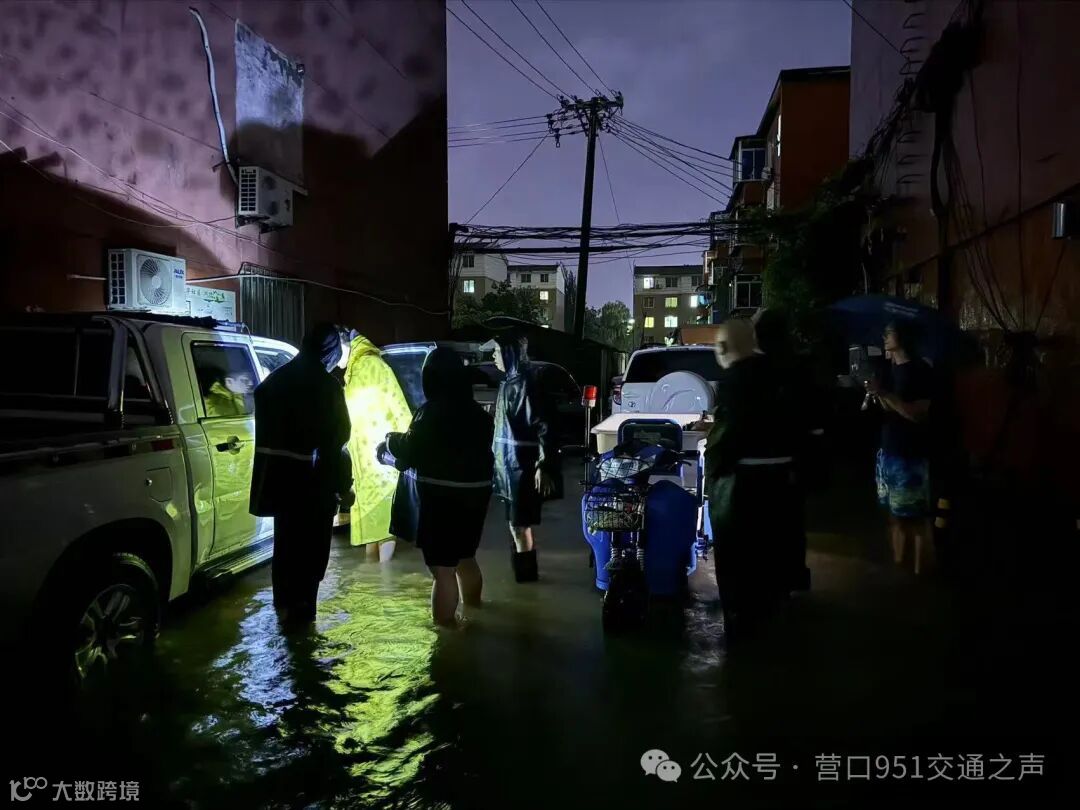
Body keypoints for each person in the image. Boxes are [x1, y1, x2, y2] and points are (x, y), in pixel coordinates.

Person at [378, 348, 494, 626]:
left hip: (442, 499)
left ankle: (446, 634)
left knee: (442, 569)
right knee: (465, 557)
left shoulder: (430, 412)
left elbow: (411, 449)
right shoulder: (478, 414)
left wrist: (390, 441)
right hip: (476, 496)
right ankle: (475, 611)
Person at [250, 323, 352, 627]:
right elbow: (336, 445)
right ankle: (304, 626)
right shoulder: (327, 387)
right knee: (311, 559)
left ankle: (284, 618)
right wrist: (344, 487)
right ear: (329, 351)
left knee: (285, 552)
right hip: (314, 489)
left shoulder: (274, 381)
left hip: (280, 488)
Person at [704, 318, 799, 636]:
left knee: (738, 561)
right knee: (772, 554)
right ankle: (774, 616)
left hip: (743, 485)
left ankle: (742, 627)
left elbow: (729, 436)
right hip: (782, 480)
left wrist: (712, 469)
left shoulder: (735, 380)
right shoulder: (781, 372)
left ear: (723, 347)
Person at [752, 308, 822, 592]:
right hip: (793, 459)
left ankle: (768, 581)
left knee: (763, 526)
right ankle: (792, 578)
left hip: (760, 463)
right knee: (791, 522)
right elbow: (815, 414)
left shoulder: (754, 368)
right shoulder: (801, 365)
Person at [489, 334, 561, 582]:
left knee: (520, 525)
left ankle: (527, 579)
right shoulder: (509, 383)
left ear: (508, 353)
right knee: (515, 525)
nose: (493, 356)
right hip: (508, 466)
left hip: (521, 466)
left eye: (497, 351)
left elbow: (545, 427)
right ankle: (523, 577)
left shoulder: (526, 385)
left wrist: (544, 465)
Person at [866, 320, 934, 574]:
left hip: (910, 453)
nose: (884, 336)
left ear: (903, 337)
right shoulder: (887, 370)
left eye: (889, 332)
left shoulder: (921, 370)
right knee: (893, 515)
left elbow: (916, 413)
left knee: (914, 518)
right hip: (888, 450)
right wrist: (876, 394)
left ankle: (919, 571)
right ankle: (898, 567)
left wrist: (885, 394)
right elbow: (891, 409)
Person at [342, 331, 412, 561]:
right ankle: (375, 572)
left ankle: (383, 573)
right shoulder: (355, 369)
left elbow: (398, 406)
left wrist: (407, 445)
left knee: (382, 522)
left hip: (378, 458)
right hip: (365, 460)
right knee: (372, 522)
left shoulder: (372, 366)